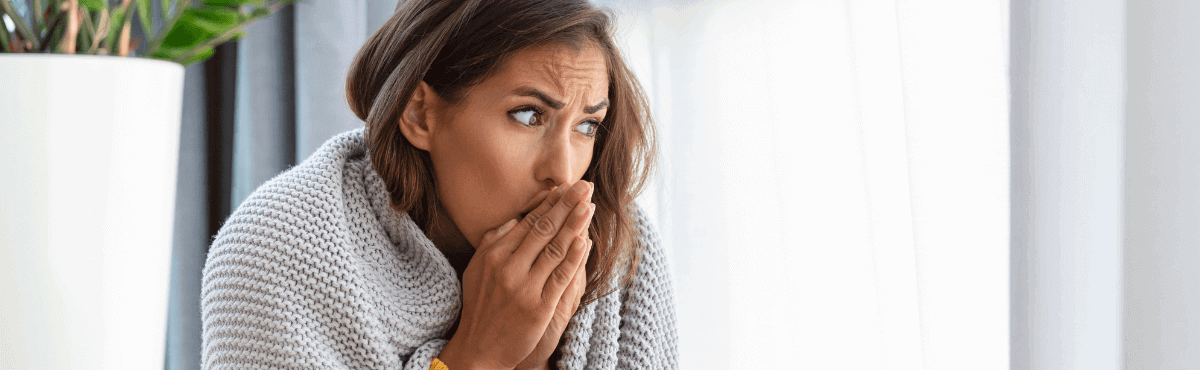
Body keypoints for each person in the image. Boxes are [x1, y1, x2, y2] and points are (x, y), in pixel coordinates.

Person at [199, 0, 678, 369]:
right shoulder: (280, 249)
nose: (564, 171)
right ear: (420, 113)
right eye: (529, 116)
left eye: (587, 126)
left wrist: (533, 361)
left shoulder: (620, 250)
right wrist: (478, 355)